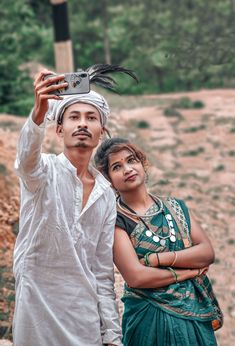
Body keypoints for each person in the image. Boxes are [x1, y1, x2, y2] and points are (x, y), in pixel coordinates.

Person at [13, 66, 139, 346]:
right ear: (59, 129)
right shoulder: (42, 172)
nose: (82, 123)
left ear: (101, 131)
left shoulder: (106, 194)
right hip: (36, 309)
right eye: (74, 117)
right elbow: (25, 159)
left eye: (91, 117)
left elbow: (102, 270)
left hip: (84, 317)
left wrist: (112, 336)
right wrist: (39, 111)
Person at [94, 138, 223, 346]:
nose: (127, 169)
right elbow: (136, 277)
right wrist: (188, 272)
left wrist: (157, 259)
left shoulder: (175, 208)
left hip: (194, 317)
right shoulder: (116, 220)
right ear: (108, 179)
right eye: (117, 167)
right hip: (148, 320)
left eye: (131, 160)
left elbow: (206, 253)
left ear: (142, 163)